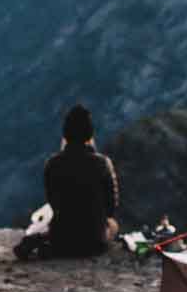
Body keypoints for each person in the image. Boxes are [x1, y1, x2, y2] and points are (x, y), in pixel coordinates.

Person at [15, 104, 120, 259]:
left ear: (65, 133)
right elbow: (111, 208)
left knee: (56, 225)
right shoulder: (102, 163)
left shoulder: (53, 163)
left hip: (62, 238)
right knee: (113, 226)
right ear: (90, 133)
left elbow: (54, 203)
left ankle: (42, 240)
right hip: (94, 240)